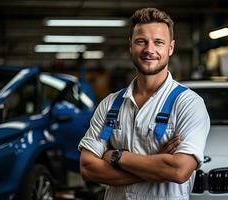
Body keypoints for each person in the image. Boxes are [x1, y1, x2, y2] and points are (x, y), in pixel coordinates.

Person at [78, 7, 210, 200]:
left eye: (158, 42)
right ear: (130, 45)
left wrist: (117, 156)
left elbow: (179, 171)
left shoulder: (189, 104)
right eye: (141, 41)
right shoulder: (109, 104)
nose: (149, 50)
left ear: (170, 48)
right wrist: (157, 165)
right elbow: (88, 168)